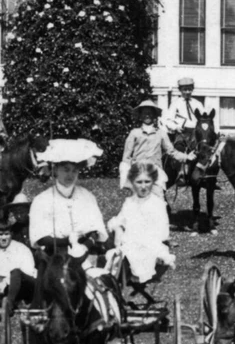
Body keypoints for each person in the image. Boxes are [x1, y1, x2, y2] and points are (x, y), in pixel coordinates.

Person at [27, 140, 107, 257]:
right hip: (54, 255)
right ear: (55, 170)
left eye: (74, 170)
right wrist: (67, 242)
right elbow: (40, 237)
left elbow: (96, 229)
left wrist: (84, 247)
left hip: (85, 252)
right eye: (66, 169)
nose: (70, 175)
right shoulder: (42, 200)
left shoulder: (87, 196)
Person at [108, 162, 175, 296]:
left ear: (153, 182)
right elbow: (120, 219)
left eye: (147, 182)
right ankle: (111, 291)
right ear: (132, 182)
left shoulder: (157, 204)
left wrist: (138, 239)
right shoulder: (129, 202)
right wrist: (118, 228)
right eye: (139, 182)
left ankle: (117, 287)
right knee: (112, 255)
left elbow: (162, 232)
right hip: (129, 243)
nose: (143, 186)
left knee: (133, 255)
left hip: (151, 244)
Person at [118, 101, 187, 193]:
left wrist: (186, 157)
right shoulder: (134, 133)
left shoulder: (161, 133)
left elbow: (171, 151)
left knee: (157, 199)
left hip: (155, 172)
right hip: (139, 172)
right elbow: (126, 157)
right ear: (140, 116)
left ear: (155, 115)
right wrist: (131, 170)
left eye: (150, 113)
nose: (147, 115)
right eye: (144, 113)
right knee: (138, 200)